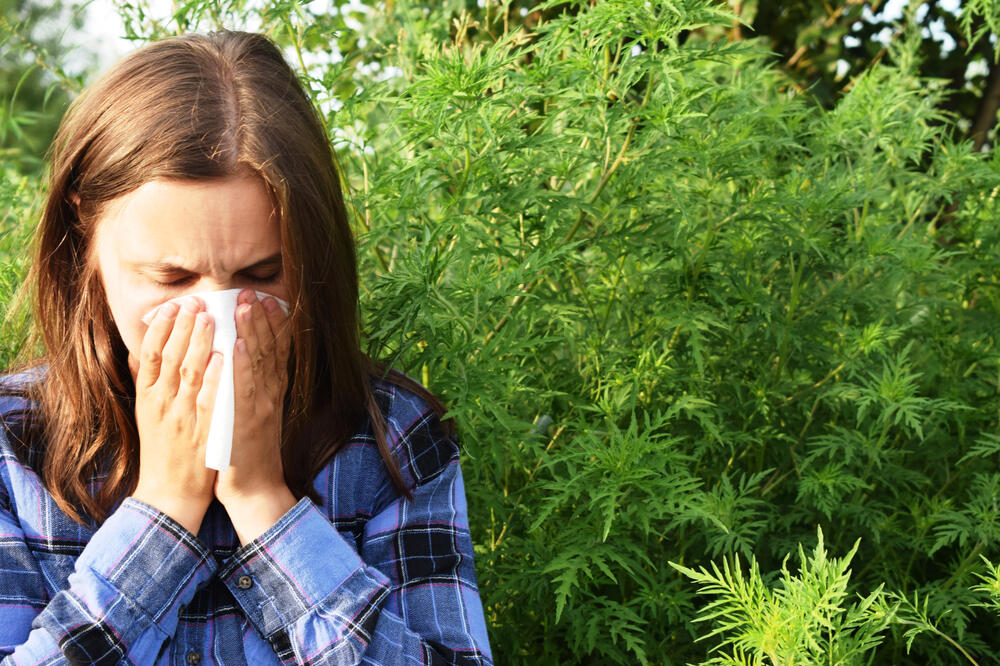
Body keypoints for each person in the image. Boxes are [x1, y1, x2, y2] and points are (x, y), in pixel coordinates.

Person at [0, 30, 493, 665]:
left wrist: (265, 506)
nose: (217, 317)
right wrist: (165, 509)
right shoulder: (16, 448)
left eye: (262, 276)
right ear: (86, 240)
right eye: (172, 279)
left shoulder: (393, 439)